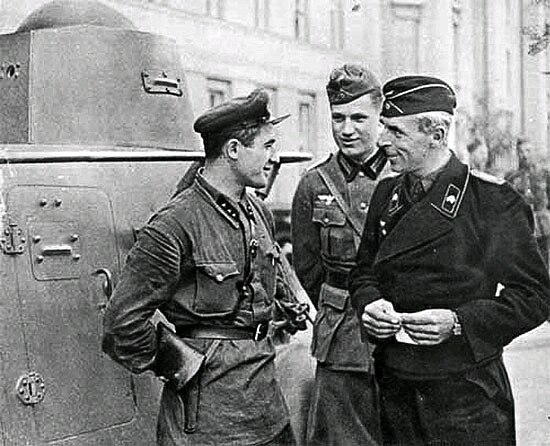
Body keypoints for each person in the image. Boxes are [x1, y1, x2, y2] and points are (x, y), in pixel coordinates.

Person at [349, 75, 550, 446]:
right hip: (396, 386)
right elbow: (363, 272)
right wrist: (369, 303)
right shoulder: (386, 193)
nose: (382, 141)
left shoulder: (492, 201)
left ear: (437, 135)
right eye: (384, 127)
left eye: (395, 131)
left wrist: (459, 322)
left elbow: (535, 296)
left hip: (466, 396)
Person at [102, 89, 300, 446]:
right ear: (233, 150)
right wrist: (181, 365)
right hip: (207, 421)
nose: (275, 156)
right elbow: (122, 324)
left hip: (267, 410)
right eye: (267, 145)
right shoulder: (174, 225)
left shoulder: (258, 213)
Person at [291, 63, 385, 446]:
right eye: (338, 118)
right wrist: (337, 307)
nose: (347, 129)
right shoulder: (314, 185)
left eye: (359, 118)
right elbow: (308, 266)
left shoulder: (403, 178)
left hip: (398, 332)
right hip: (341, 340)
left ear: (380, 117)